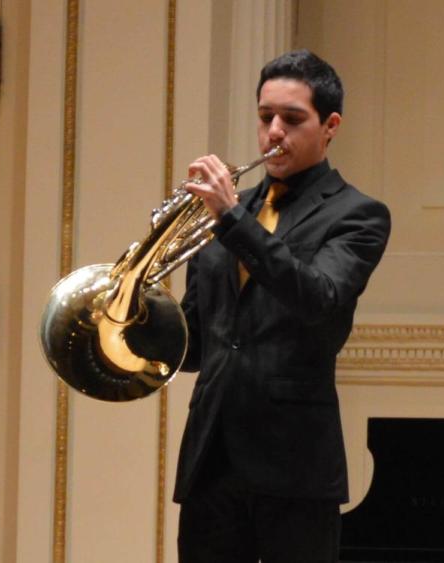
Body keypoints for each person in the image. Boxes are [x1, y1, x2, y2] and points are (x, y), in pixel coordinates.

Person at [173, 49, 392, 563]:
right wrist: (135, 310)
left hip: (294, 465)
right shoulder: (226, 212)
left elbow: (319, 297)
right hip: (212, 460)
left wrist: (231, 219)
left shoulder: (357, 216)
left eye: (292, 119)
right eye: (265, 116)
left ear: (330, 125)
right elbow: (195, 346)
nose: (274, 131)